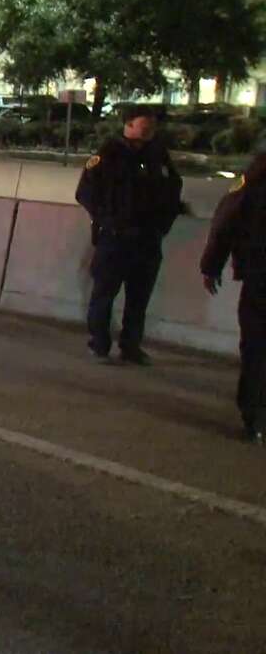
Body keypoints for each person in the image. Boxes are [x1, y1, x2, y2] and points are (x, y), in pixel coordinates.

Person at [75, 104, 184, 365]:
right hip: (115, 237)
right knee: (104, 293)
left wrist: (162, 224)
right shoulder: (109, 154)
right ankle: (99, 343)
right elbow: (86, 193)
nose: (148, 132)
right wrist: (107, 221)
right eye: (143, 126)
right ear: (129, 125)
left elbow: (173, 188)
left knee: (139, 297)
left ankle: (131, 346)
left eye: (152, 127)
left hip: (147, 239)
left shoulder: (158, 155)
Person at [201, 151, 266, 442]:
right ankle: (254, 414)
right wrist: (211, 265)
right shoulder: (254, 180)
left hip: (259, 277)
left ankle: (254, 416)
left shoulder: (252, 180)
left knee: (257, 348)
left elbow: (225, 223)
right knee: (257, 348)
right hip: (260, 277)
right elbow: (226, 225)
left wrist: (211, 266)